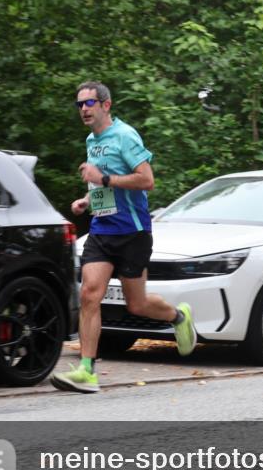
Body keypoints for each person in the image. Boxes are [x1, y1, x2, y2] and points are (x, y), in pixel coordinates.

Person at [51, 81, 197, 393]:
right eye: (80, 105)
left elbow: (147, 180)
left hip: (133, 232)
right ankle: (87, 370)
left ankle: (178, 317)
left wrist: (101, 178)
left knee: (137, 304)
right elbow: (103, 182)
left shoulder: (126, 136)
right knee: (90, 293)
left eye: (89, 103)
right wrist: (87, 199)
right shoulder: (93, 140)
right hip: (103, 230)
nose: (84, 110)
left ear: (106, 104)